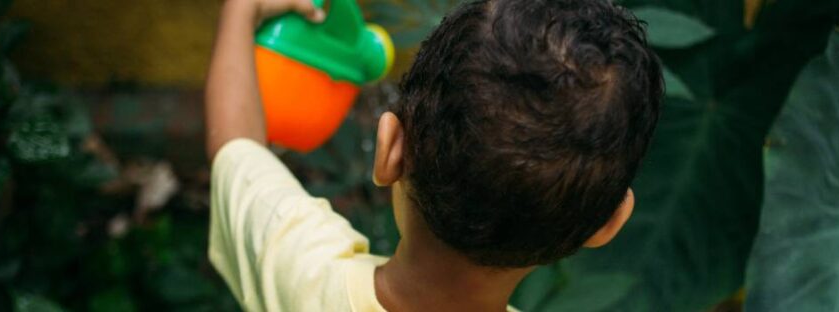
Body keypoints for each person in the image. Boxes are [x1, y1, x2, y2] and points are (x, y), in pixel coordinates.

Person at [204, 0, 663, 310]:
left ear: (389, 151)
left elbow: (235, 144)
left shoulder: (299, 268)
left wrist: (241, 10)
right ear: (608, 222)